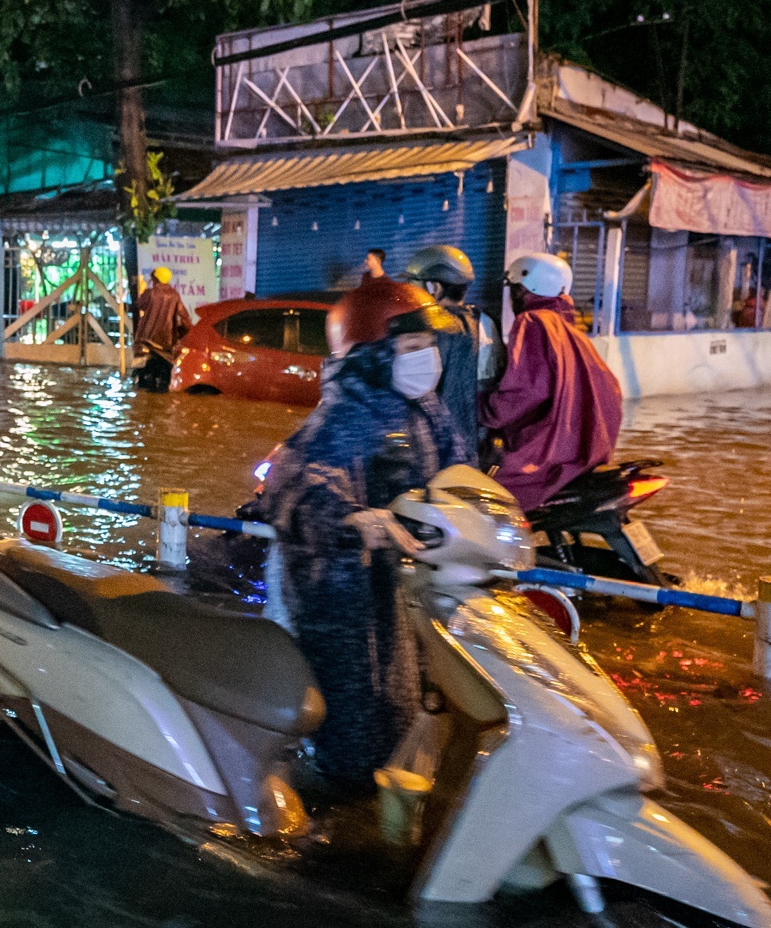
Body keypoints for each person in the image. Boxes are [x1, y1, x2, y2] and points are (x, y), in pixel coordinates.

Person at [258, 279, 470, 790]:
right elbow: (292, 481)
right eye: (412, 347)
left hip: (402, 588)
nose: (427, 358)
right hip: (340, 597)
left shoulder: (422, 410)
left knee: (404, 711)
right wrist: (352, 519)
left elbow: (459, 472)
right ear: (372, 353)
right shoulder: (347, 412)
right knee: (351, 730)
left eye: (429, 347)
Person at [480, 253, 623, 513]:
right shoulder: (571, 332)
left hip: (547, 457)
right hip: (582, 456)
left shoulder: (532, 322)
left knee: (480, 499)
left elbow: (526, 391)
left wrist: (481, 409)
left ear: (524, 290)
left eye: (513, 291)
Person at [401, 245, 504, 462]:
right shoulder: (486, 324)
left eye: (413, 283)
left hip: (428, 453)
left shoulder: (422, 328)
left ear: (434, 288)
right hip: (472, 452)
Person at [133, 266, 195, 391]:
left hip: (146, 338)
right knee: (164, 377)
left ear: (155, 278)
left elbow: (139, 305)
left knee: (144, 376)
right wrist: (187, 332)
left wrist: (143, 289)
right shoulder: (174, 295)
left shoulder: (150, 293)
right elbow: (184, 316)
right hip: (165, 339)